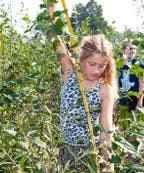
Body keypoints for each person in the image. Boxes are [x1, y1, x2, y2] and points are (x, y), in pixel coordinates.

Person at [47, 3, 117, 172]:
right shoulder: (70, 73)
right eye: (92, 64)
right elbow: (56, 39)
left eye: (102, 66)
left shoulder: (104, 88)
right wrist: (51, 7)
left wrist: (108, 161)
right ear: (81, 59)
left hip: (89, 152)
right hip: (64, 148)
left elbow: (106, 128)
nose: (96, 70)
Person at [118, 43, 144, 130]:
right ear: (123, 50)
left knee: (133, 126)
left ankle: (132, 140)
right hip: (122, 98)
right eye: (130, 48)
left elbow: (141, 84)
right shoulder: (119, 65)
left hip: (134, 99)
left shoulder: (139, 64)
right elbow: (115, 83)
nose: (133, 51)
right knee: (124, 126)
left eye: (135, 48)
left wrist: (140, 100)